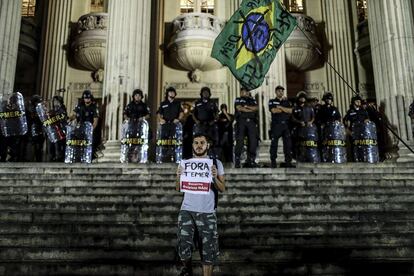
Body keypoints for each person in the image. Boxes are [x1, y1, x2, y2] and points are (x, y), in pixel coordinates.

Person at [176, 134, 225, 276]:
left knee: (208, 251)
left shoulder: (216, 163)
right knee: (183, 245)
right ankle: (187, 268)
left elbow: (222, 188)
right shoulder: (185, 162)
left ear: (207, 145)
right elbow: (178, 188)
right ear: (192, 145)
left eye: (202, 143)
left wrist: (214, 177)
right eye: (196, 142)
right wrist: (178, 175)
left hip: (207, 211)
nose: (199, 145)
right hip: (187, 210)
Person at [234, 87, 259, 168]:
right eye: (245, 91)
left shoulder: (253, 100)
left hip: (251, 122)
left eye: (247, 91)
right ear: (241, 92)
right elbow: (239, 108)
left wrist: (246, 107)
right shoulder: (238, 99)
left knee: (253, 141)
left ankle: (251, 160)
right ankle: (237, 160)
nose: (247, 93)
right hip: (241, 122)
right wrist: (250, 109)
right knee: (240, 142)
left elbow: (256, 108)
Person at [268, 85, 293, 168]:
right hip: (276, 125)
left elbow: (290, 111)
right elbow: (274, 111)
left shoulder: (287, 102)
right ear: (276, 92)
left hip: (286, 125)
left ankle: (288, 162)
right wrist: (284, 110)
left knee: (287, 145)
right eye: (279, 91)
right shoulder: (272, 101)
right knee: (274, 144)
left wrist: (281, 107)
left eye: (282, 91)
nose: (281, 92)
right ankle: (273, 161)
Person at [157, 87, 184, 160]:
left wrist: (178, 119)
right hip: (165, 124)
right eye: (170, 92)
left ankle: (174, 156)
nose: (172, 93)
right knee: (164, 140)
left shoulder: (178, 103)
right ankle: (164, 156)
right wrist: (160, 119)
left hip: (174, 125)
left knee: (174, 140)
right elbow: (159, 113)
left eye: (173, 92)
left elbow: (181, 113)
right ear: (167, 94)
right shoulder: (163, 103)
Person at [71, 90, 100, 158]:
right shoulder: (80, 106)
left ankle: (91, 155)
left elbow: (95, 121)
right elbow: (73, 114)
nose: (87, 100)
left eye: (88, 98)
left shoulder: (94, 107)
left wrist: (91, 130)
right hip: (80, 128)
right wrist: (69, 118)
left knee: (90, 143)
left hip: (90, 129)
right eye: (85, 98)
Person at [192, 87, 219, 157]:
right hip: (200, 125)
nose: (205, 94)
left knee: (210, 141)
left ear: (209, 94)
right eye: (204, 93)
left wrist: (214, 121)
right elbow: (193, 114)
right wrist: (196, 121)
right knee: (199, 140)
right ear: (201, 94)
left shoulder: (213, 102)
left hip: (210, 125)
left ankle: (211, 156)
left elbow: (217, 114)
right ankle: (198, 155)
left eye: (207, 93)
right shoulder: (197, 102)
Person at [48, 95, 67, 162]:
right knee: (51, 149)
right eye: (54, 101)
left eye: (56, 101)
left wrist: (51, 119)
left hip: (60, 132)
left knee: (58, 149)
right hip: (52, 132)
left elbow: (61, 119)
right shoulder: (52, 110)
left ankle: (58, 159)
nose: (55, 102)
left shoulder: (62, 110)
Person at [28, 95, 45, 162]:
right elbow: (31, 119)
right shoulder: (31, 109)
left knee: (39, 145)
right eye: (38, 101)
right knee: (35, 145)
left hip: (40, 128)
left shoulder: (40, 109)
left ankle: (38, 159)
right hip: (34, 128)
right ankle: (33, 158)